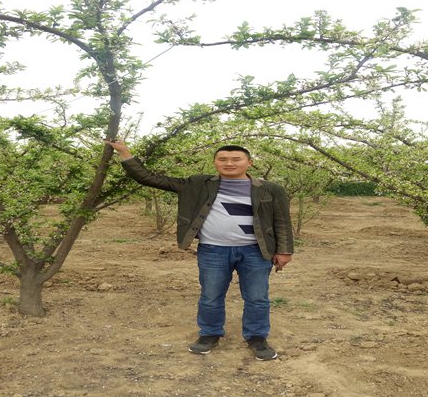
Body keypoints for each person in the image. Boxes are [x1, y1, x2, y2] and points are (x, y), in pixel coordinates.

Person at [105, 140, 294, 361]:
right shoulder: (198, 184)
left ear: (249, 163)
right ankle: (209, 334)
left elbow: (281, 220)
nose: (229, 163)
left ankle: (256, 338)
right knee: (211, 296)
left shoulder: (270, 189)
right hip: (213, 251)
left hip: (255, 251)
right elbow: (151, 179)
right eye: (223, 159)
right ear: (215, 162)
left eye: (236, 159)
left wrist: (285, 250)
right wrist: (124, 152)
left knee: (257, 298)